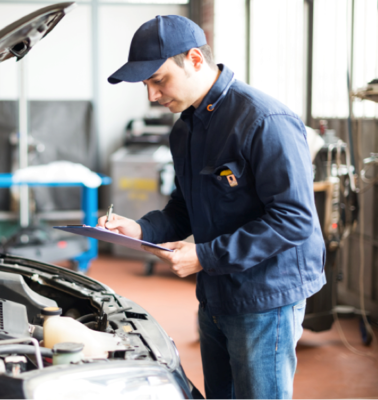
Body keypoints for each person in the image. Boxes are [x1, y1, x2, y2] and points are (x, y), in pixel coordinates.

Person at [98, 15, 326, 400]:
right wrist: (139, 229)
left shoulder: (264, 121)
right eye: (145, 85)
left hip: (265, 298)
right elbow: (183, 208)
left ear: (195, 60)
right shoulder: (184, 129)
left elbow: (295, 219)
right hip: (216, 293)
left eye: (159, 80)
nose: (151, 96)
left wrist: (205, 256)